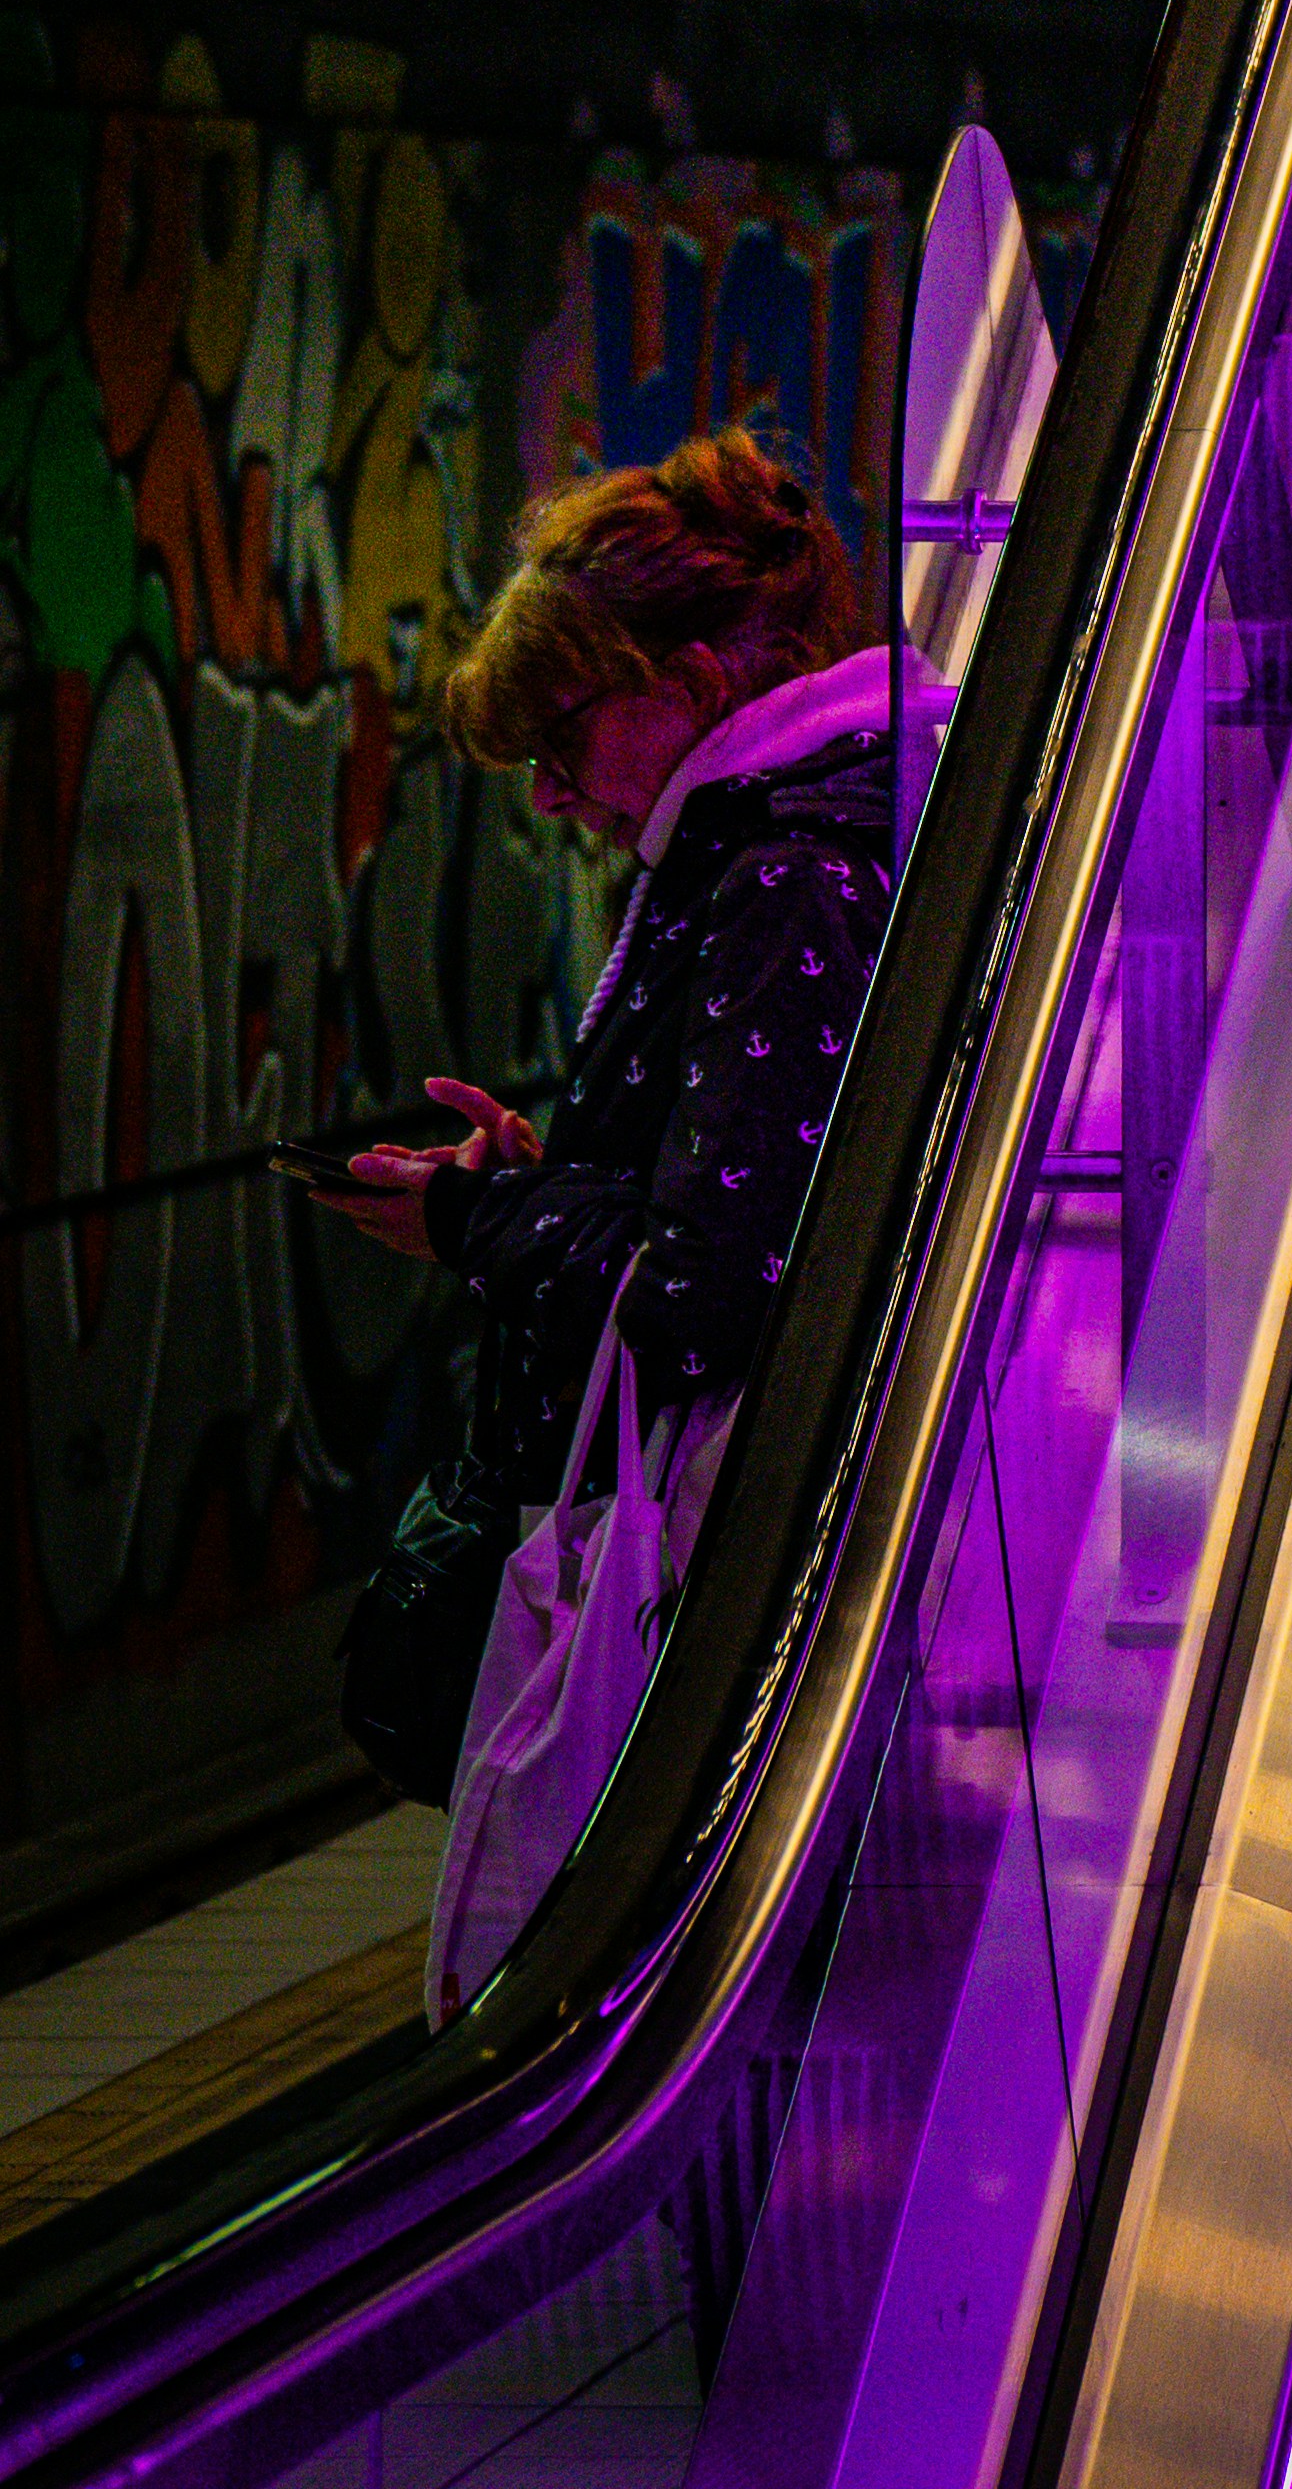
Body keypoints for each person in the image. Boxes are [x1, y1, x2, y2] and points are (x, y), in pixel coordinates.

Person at [310, 428, 939, 1801]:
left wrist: (476, 1217)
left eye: (563, 740)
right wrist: (560, 1177)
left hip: (717, 1572)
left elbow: (711, 1288)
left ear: (697, 683)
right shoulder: (831, 824)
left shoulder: (784, 874)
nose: (549, 793)